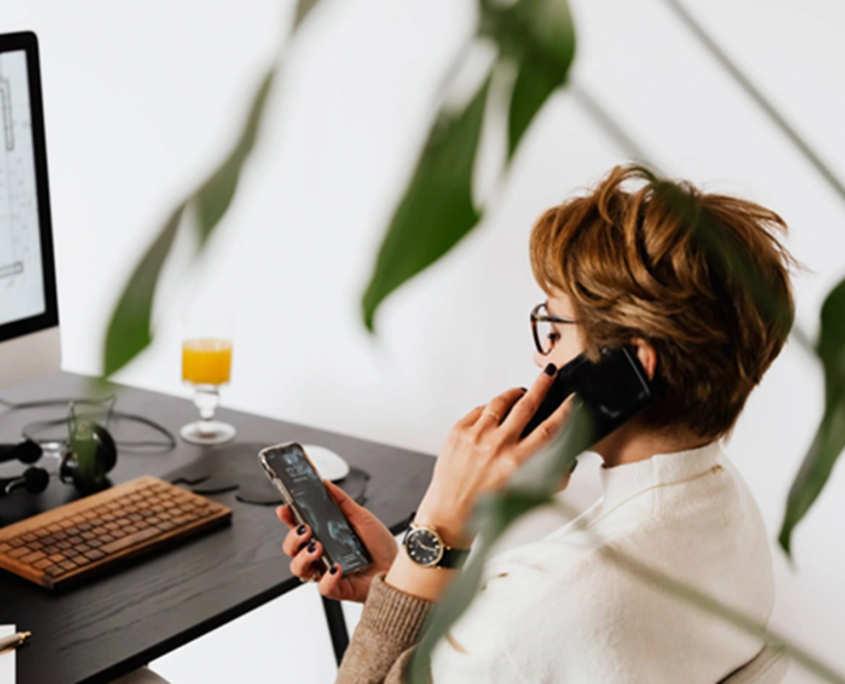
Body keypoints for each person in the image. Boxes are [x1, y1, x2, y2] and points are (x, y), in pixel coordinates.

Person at [278, 165, 795, 683]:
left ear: (631, 363)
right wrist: (403, 577)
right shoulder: (727, 508)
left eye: (553, 326)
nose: (539, 353)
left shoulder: (540, 609)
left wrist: (437, 523)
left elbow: (521, 637)